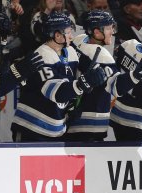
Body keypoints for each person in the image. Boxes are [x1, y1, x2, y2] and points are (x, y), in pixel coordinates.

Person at [11, 11, 106, 141]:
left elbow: (90, 68)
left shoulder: (70, 50)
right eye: (68, 32)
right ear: (57, 35)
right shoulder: (41, 56)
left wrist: (97, 72)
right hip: (31, 128)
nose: (72, 36)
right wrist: (82, 83)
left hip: (55, 129)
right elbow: (57, 93)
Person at [66, 10, 142, 141]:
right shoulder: (104, 57)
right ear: (97, 32)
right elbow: (116, 88)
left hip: (70, 118)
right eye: (109, 28)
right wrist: (137, 74)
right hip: (91, 124)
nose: (112, 31)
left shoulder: (79, 40)